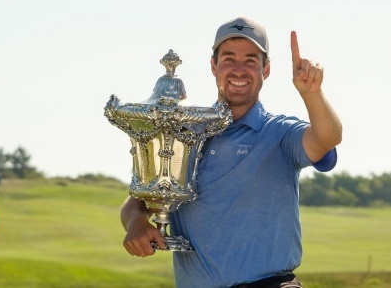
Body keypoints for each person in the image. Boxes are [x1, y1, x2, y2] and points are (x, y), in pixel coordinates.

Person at [120, 17, 343, 288]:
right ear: (214, 66)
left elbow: (327, 138)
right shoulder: (183, 133)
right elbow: (141, 197)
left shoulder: (279, 132)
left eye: (250, 60)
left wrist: (312, 94)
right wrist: (135, 222)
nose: (239, 70)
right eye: (228, 59)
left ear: (266, 69)